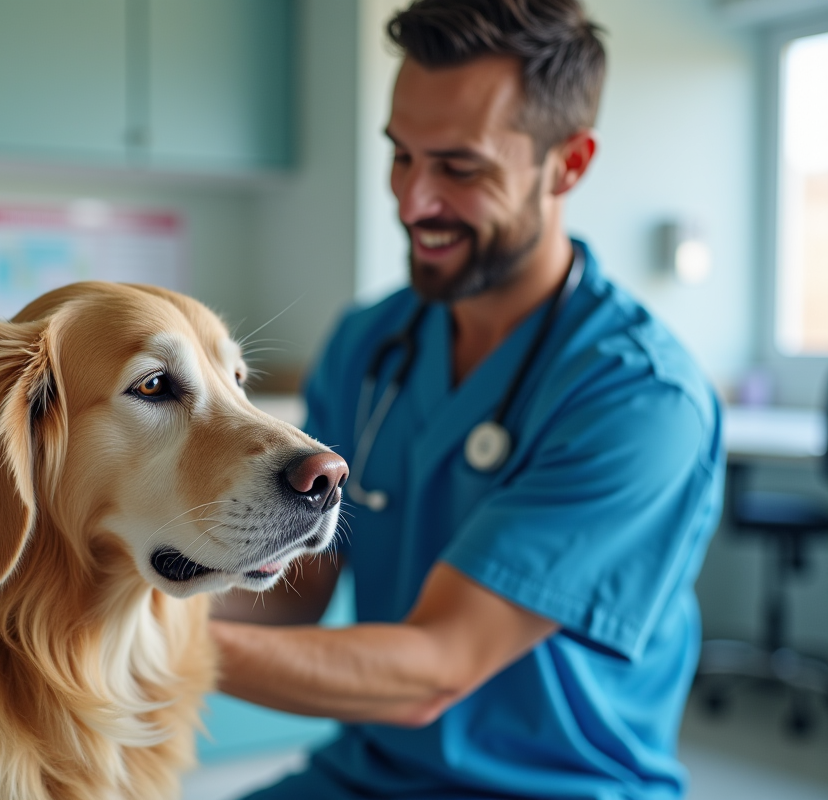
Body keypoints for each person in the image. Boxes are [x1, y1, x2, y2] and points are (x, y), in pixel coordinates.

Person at [209, 1, 725, 798]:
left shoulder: (639, 400)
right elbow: (295, 587)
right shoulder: (370, 345)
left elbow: (435, 670)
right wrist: (117, 584)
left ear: (569, 165)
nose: (412, 202)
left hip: (557, 788)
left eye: (460, 168)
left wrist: (139, 648)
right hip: (368, 777)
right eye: (401, 155)